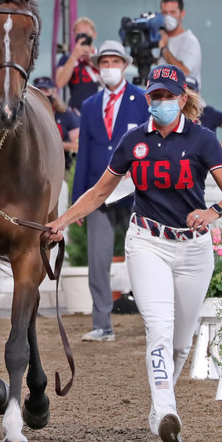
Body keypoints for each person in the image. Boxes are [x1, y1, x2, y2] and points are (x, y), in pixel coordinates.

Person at [46, 64, 222, 442]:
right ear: (148, 97)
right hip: (148, 242)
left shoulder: (204, 140)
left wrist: (212, 212)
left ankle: (159, 407)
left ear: (183, 99)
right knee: (158, 327)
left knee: (181, 342)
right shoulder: (134, 140)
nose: (162, 102)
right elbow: (100, 191)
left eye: (169, 96)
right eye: (156, 96)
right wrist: (62, 221)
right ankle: (168, 411)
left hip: (194, 249)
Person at [73, 40, 149, 342]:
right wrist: (79, 200)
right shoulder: (90, 106)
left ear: (125, 65)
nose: (109, 68)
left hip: (135, 193)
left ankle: (152, 320)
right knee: (98, 260)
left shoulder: (142, 99)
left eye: (114, 62)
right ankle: (102, 324)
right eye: (104, 63)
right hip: (98, 193)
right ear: (97, 67)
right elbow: (85, 153)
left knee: (144, 258)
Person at [33, 76, 80, 171]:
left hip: (61, 167)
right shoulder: (27, 114)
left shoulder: (66, 114)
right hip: (34, 168)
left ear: (54, 92)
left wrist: (54, 143)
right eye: (38, 91)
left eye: (46, 90)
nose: (43, 94)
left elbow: (77, 146)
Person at [55, 16, 100, 112]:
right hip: (77, 112)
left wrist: (93, 62)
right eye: (80, 35)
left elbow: (116, 78)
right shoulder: (67, 59)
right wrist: (74, 56)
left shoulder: (102, 57)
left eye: (87, 34)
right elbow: (59, 83)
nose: (84, 38)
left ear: (94, 35)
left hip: (100, 110)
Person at [158, 0, 202, 86]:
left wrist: (164, 49)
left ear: (182, 14)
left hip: (183, 97)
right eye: (164, 13)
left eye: (173, 12)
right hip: (159, 97)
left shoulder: (190, 41)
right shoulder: (159, 37)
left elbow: (183, 72)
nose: (168, 17)